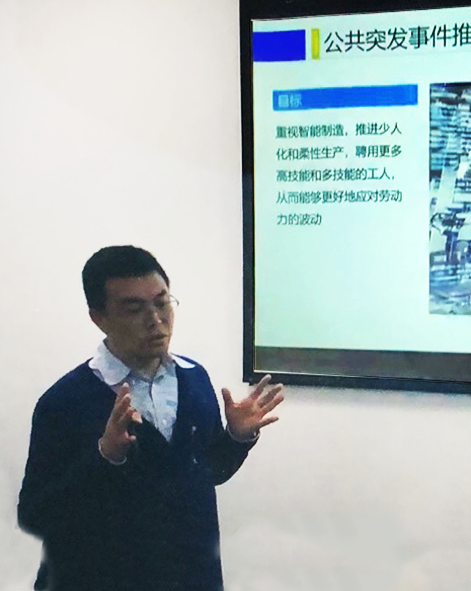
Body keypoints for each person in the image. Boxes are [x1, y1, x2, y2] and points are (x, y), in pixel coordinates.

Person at [17, 245, 284, 591]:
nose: (156, 320)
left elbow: (206, 473)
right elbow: (35, 515)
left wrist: (236, 439)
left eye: (162, 303)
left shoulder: (194, 379)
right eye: (134, 309)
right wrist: (105, 457)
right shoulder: (64, 402)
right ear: (98, 317)